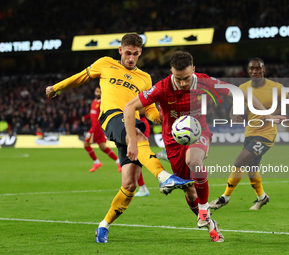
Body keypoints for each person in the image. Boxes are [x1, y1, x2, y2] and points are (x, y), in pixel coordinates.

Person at [45, 34, 195, 243]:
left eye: (135, 54)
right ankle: (163, 177)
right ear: (120, 50)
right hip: (112, 118)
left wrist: (160, 117)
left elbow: (149, 108)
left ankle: (103, 225)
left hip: (132, 123)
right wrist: (57, 87)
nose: (131, 58)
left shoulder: (144, 78)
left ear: (140, 53)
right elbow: (80, 76)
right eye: (127, 53)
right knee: (139, 135)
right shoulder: (105, 64)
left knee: (130, 184)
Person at [124, 51, 285, 242]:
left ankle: (203, 208)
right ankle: (210, 224)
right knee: (189, 190)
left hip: (199, 133)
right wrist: (133, 141)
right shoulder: (162, 87)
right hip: (172, 142)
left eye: (186, 78)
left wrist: (266, 116)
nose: (183, 83)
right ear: (171, 72)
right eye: (178, 78)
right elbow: (129, 107)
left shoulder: (205, 81)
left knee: (194, 160)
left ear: (193, 69)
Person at [210, 57, 287, 210]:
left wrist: (268, 116)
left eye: (258, 68)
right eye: (252, 68)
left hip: (266, 134)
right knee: (251, 168)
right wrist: (234, 115)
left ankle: (224, 197)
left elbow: (284, 109)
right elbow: (235, 109)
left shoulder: (277, 88)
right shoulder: (243, 87)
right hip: (250, 132)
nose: (255, 71)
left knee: (239, 162)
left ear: (263, 70)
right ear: (248, 70)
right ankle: (262, 197)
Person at [82, 86, 121, 172]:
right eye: (97, 91)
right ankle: (119, 162)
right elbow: (93, 115)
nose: (98, 93)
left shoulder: (102, 104)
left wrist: (93, 130)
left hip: (97, 128)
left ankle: (96, 162)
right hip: (96, 129)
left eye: (100, 92)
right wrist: (86, 117)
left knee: (86, 145)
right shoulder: (93, 101)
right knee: (103, 147)